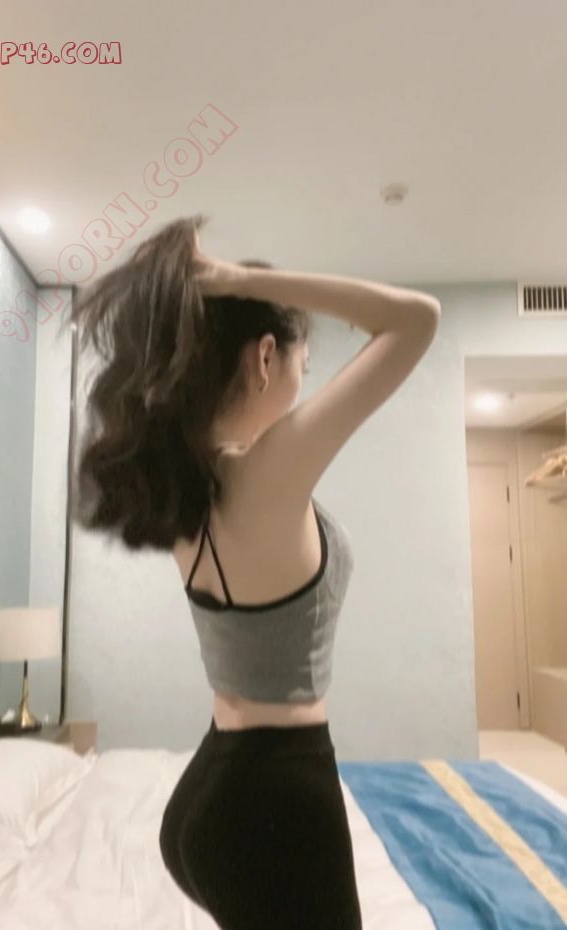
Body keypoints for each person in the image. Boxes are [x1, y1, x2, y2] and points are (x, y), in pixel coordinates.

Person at [67, 214, 440, 929]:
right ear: (265, 357)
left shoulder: (180, 483)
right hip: (278, 795)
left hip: (215, 786)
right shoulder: (262, 475)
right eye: (304, 362)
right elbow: (416, 320)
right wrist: (243, 280)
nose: (303, 378)